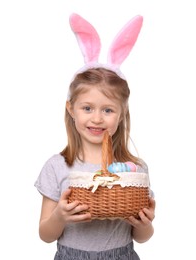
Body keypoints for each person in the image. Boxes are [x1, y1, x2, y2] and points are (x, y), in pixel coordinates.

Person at [34, 13, 155, 260]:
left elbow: (142, 236)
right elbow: (45, 234)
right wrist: (60, 216)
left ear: (121, 114)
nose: (97, 119)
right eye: (87, 108)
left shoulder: (135, 170)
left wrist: (143, 223)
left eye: (108, 110)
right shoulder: (58, 166)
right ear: (71, 109)